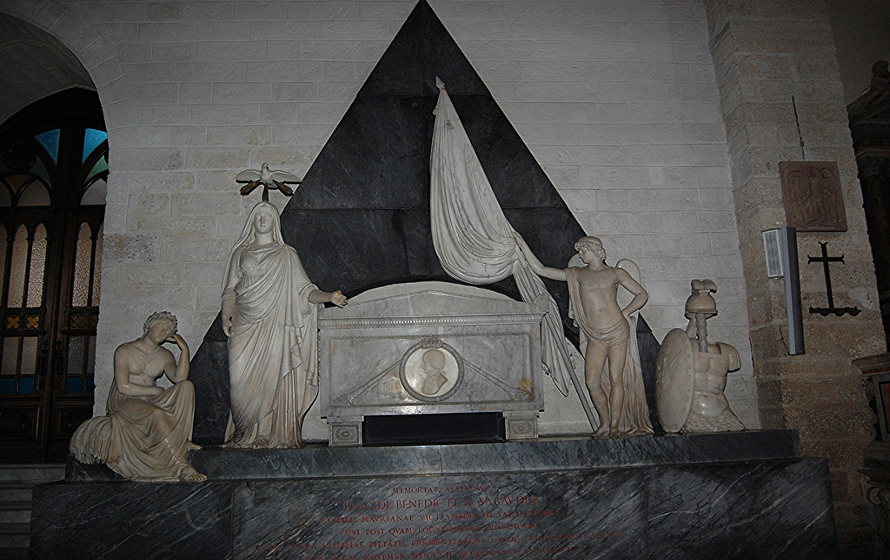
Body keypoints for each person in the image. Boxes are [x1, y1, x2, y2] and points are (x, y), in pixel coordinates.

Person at [222, 202, 346, 448]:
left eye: (267, 215)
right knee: (238, 382)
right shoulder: (241, 253)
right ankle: (244, 433)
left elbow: (305, 291)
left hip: (275, 324)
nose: (262, 219)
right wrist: (226, 316)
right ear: (251, 220)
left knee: (272, 377)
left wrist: (329, 297)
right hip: (245, 323)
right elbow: (230, 289)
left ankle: (264, 435)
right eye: (257, 215)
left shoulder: (286, 254)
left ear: (275, 222)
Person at [514, 233, 653, 437]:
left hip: (617, 330)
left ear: (595, 250)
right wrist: (523, 244)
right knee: (592, 381)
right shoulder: (578, 274)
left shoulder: (616, 273)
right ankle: (605, 422)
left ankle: (615, 425)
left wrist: (626, 312)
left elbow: (642, 294)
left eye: (583, 250)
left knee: (616, 379)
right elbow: (541, 270)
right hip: (595, 334)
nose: (580, 254)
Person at [70, 312, 206, 482]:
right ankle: (180, 466)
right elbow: (123, 386)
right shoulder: (125, 350)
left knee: (187, 387)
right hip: (125, 400)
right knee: (156, 413)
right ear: (149, 326)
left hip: (149, 401)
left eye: (167, 332)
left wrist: (184, 349)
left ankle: (182, 438)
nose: (163, 333)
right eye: (160, 328)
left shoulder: (164, 355)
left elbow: (179, 378)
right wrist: (154, 391)